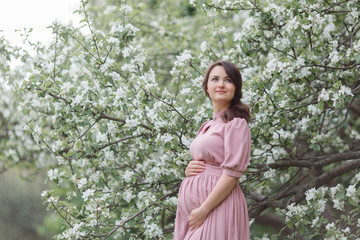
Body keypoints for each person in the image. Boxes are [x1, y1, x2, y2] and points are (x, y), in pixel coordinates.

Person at [173, 60, 251, 240]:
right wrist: (189, 169)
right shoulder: (207, 125)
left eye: (228, 80)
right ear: (207, 87)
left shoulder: (236, 124)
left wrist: (204, 209)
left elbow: (232, 174)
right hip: (194, 214)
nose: (221, 84)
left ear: (236, 88)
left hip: (215, 207)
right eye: (215, 79)